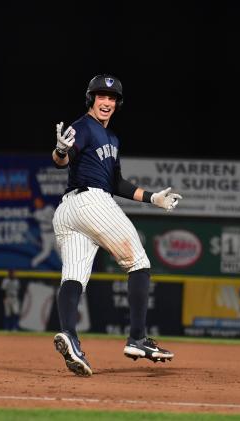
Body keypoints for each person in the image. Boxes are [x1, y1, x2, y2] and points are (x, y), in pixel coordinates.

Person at [51, 74, 182, 376]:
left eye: (111, 98)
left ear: (117, 104)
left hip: (69, 211)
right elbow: (63, 159)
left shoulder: (112, 139)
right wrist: (59, 151)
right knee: (139, 263)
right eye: (100, 97)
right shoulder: (83, 127)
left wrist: (153, 199)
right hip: (89, 203)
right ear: (91, 100)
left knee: (73, 278)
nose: (106, 102)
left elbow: (116, 183)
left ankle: (69, 335)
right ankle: (137, 338)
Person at [30, 197, 58, 268]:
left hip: (54, 233)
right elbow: (48, 220)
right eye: (36, 203)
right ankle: (33, 263)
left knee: (60, 252)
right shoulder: (36, 213)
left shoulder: (49, 208)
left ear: (42, 202)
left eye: (39, 202)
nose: (38, 204)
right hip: (46, 235)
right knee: (46, 252)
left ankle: (66, 268)